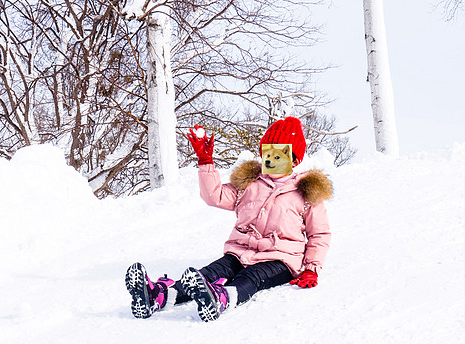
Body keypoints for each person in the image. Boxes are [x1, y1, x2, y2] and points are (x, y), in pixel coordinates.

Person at [125, 116, 332, 322]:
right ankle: (158, 296)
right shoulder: (249, 184)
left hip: (280, 259)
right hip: (241, 251)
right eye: (267, 152)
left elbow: (319, 234)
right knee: (209, 272)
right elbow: (214, 196)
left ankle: (221, 298)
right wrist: (206, 163)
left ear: (295, 159)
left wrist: (311, 269)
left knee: (250, 278)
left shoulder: (306, 193)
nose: (271, 159)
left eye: (280, 154)